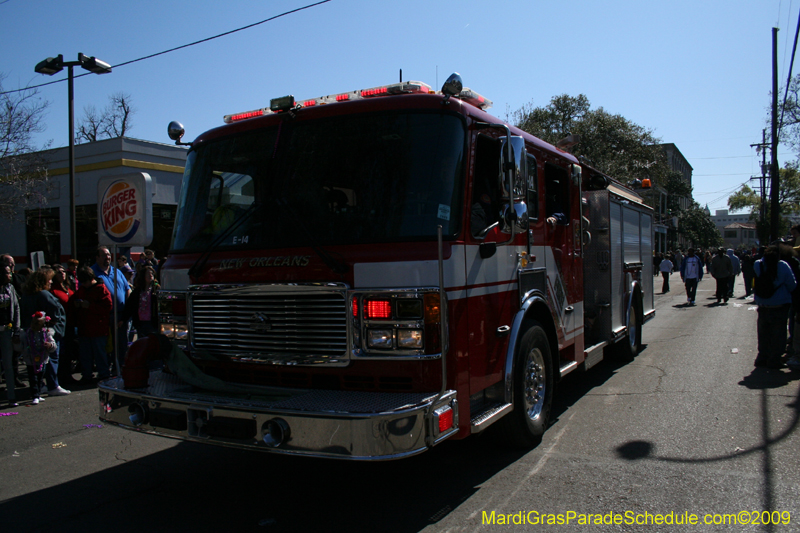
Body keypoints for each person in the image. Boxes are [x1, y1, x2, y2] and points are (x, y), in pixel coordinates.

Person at [19, 269, 70, 397]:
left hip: (31, 332)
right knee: (51, 358)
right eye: (49, 280)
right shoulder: (44, 295)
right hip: (47, 332)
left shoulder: (26, 295)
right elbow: (56, 312)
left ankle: (39, 385)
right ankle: (53, 385)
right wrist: (56, 329)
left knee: (35, 361)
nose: (51, 282)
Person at [753, 245, 797, 369]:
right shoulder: (783, 265)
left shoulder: (758, 264)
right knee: (778, 334)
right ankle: (774, 359)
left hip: (762, 303)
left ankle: (762, 357)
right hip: (780, 305)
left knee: (763, 333)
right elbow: (792, 285)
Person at [91, 246, 131, 371]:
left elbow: (127, 289)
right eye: (104, 255)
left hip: (121, 315)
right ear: (97, 257)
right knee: (106, 345)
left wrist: (127, 309)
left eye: (108, 255)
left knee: (121, 345)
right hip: (104, 316)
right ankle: (105, 370)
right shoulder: (92, 272)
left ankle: (119, 369)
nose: (107, 257)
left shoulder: (117, 271)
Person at [74, 267, 113, 382]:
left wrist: (90, 306)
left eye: (86, 282)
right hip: (84, 328)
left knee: (100, 354)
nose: (84, 284)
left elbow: (108, 307)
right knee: (85, 355)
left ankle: (104, 374)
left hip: (98, 328)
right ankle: (86, 375)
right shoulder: (82, 289)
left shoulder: (101, 289)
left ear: (91, 279)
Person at [21, 311, 56, 405]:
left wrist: (49, 345)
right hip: (30, 359)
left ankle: (38, 393)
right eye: (34, 323)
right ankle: (35, 395)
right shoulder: (27, 333)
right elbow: (21, 346)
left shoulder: (46, 333)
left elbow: (53, 345)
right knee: (33, 379)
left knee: (40, 378)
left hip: (42, 359)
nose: (35, 325)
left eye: (38, 323)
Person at [50, 264, 77, 385]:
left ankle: (68, 375)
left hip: (71, 323)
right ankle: (60, 377)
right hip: (60, 325)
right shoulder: (53, 290)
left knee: (69, 352)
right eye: (59, 272)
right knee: (61, 352)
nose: (62, 274)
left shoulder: (67, 287)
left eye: (63, 271)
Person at [0, 265, 21, 406]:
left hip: (7, 331)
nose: (11, 275)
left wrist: (16, 330)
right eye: (8, 273)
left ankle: (11, 396)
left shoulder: (11, 288)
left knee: (8, 365)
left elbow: (16, 308)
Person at [121, 266, 159, 339]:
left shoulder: (156, 290)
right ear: (143, 276)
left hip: (153, 323)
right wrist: (123, 319)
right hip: (140, 323)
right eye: (148, 274)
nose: (150, 275)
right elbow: (130, 306)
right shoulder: (137, 291)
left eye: (152, 273)